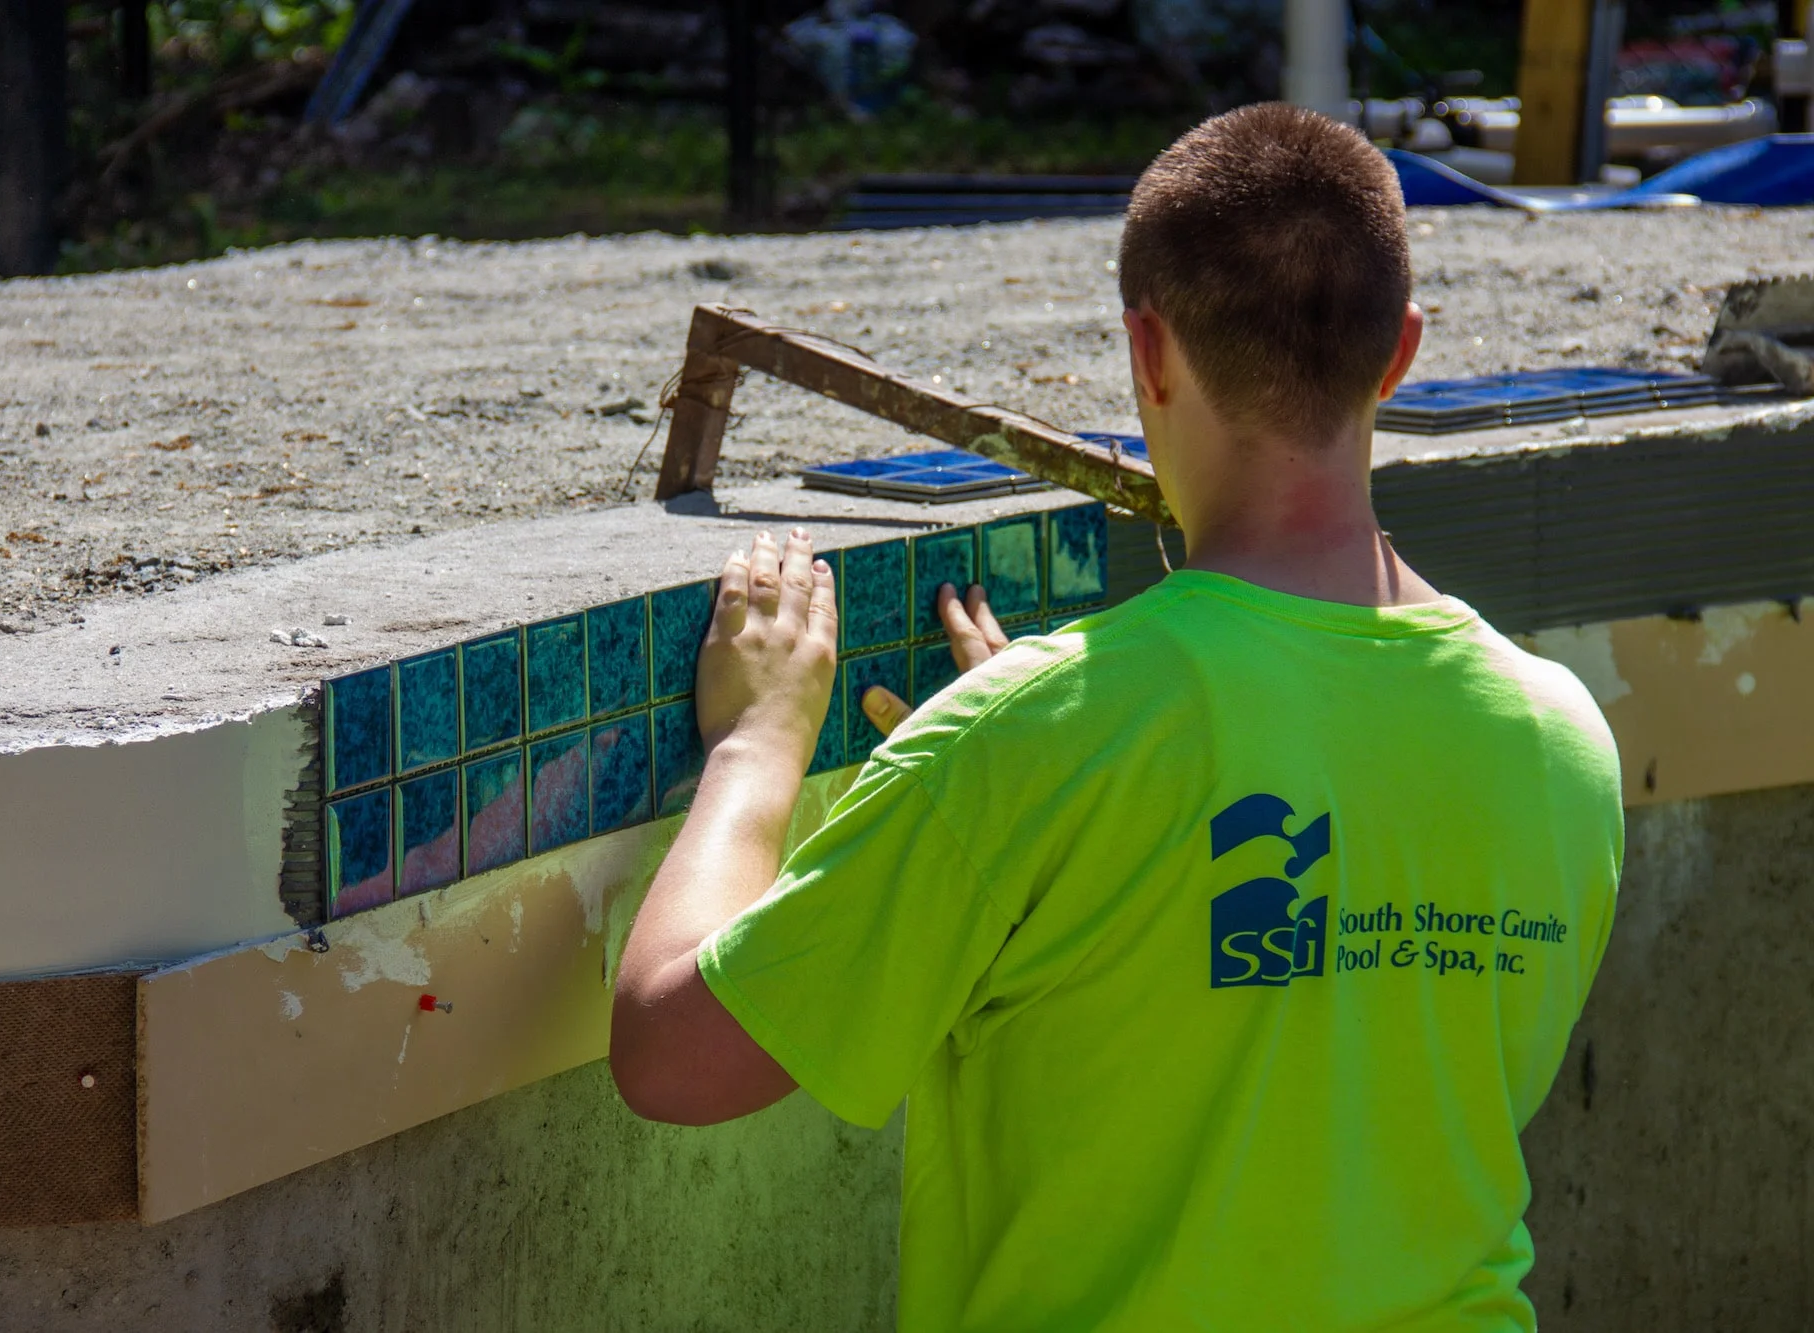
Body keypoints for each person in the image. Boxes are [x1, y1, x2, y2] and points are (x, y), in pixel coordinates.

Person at [609, 102, 1623, 1332]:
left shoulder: (1036, 736)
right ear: (1398, 352)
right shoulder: (1560, 735)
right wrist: (1043, 747)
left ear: (1148, 352)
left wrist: (757, 743)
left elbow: (671, 1056)